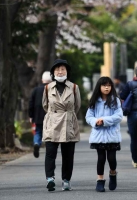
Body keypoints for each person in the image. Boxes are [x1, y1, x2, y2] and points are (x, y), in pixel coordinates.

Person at [43, 59, 81, 191]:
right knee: (50, 153)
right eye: (57, 69)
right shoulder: (47, 87)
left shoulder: (74, 87)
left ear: (67, 72)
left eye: (63, 69)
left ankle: (66, 180)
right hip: (52, 122)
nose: (60, 72)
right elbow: (45, 105)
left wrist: (68, 116)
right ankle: (50, 179)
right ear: (53, 72)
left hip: (68, 122)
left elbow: (77, 106)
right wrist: (53, 114)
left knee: (68, 154)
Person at [86, 77, 123, 192]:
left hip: (112, 135)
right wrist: (95, 122)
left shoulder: (115, 100)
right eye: (104, 85)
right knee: (101, 159)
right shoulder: (94, 101)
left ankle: (113, 174)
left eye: (109, 85)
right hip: (99, 136)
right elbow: (89, 117)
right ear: (99, 87)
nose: (106, 87)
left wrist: (104, 120)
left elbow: (119, 116)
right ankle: (100, 180)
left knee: (111, 159)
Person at [29, 71, 52, 158]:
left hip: (37, 115)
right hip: (49, 116)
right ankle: (49, 147)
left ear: (42, 80)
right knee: (49, 132)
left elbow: (31, 103)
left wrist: (31, 115)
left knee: (38, 131)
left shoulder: (35, 90)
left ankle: (36, 143)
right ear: (51, 81)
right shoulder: (52, 90)